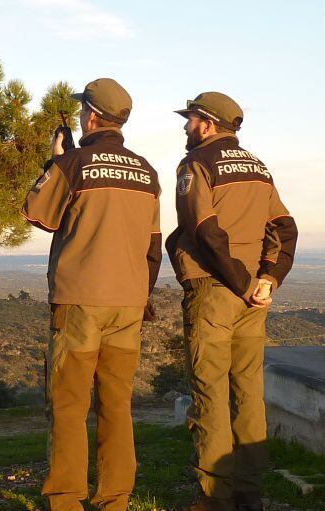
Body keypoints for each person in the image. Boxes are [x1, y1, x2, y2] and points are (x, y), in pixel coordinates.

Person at [22, 78, 161, 511]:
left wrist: (55, 160)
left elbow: (37, 213)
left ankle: (66, 499)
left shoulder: (74, 163)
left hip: (81, 302)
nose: (82, 115)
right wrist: (140, 295)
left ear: (93, 116)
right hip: (130, 303)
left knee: (69, 405)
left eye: (84, 109)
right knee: (117, 405)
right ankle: (116, 499)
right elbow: (153, 247)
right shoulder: (147, 173)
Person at [166, 92, 298, 511]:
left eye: (190, 119)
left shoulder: (196, 164)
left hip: (215, 291)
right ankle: (249, 494)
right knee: (249, 393)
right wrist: (267, 279)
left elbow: (204, 229)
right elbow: (285, 228)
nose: (185, 125)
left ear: (207, 124)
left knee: (210, 396)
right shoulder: (258, 167)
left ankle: (215, 499)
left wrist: (241, 283)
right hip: (253, 299)